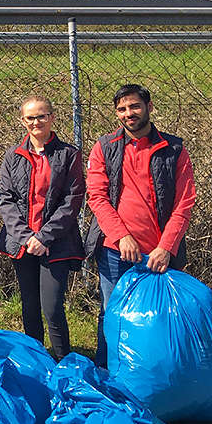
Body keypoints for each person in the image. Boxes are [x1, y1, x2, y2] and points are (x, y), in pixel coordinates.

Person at [85, 84, 196, 368]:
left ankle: (160, 378)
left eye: (134, 106)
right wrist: (121, 236)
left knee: (161, 317)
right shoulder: (104, 147)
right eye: (121, 109)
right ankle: (107, 376)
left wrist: (166, 247)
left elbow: (184, 203)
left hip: (160, 254)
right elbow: (97, 197)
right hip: (115, 251)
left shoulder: (174, 149)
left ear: (149, 107)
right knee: (113, 314)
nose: (128, 113)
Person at [0, 95, 84, 361]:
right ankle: (37, 361)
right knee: (30, 306)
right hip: (23, 244)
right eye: (31, 117)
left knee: (53, 307)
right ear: (23, 121)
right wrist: (26, 237)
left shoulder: (68, 155)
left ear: (52, 118)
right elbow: (6, 199)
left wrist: (44, 237)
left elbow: (72, 200)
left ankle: (63, 363)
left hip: (56, 243)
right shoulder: (13, 156)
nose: (36, 122)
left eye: (42, 116)